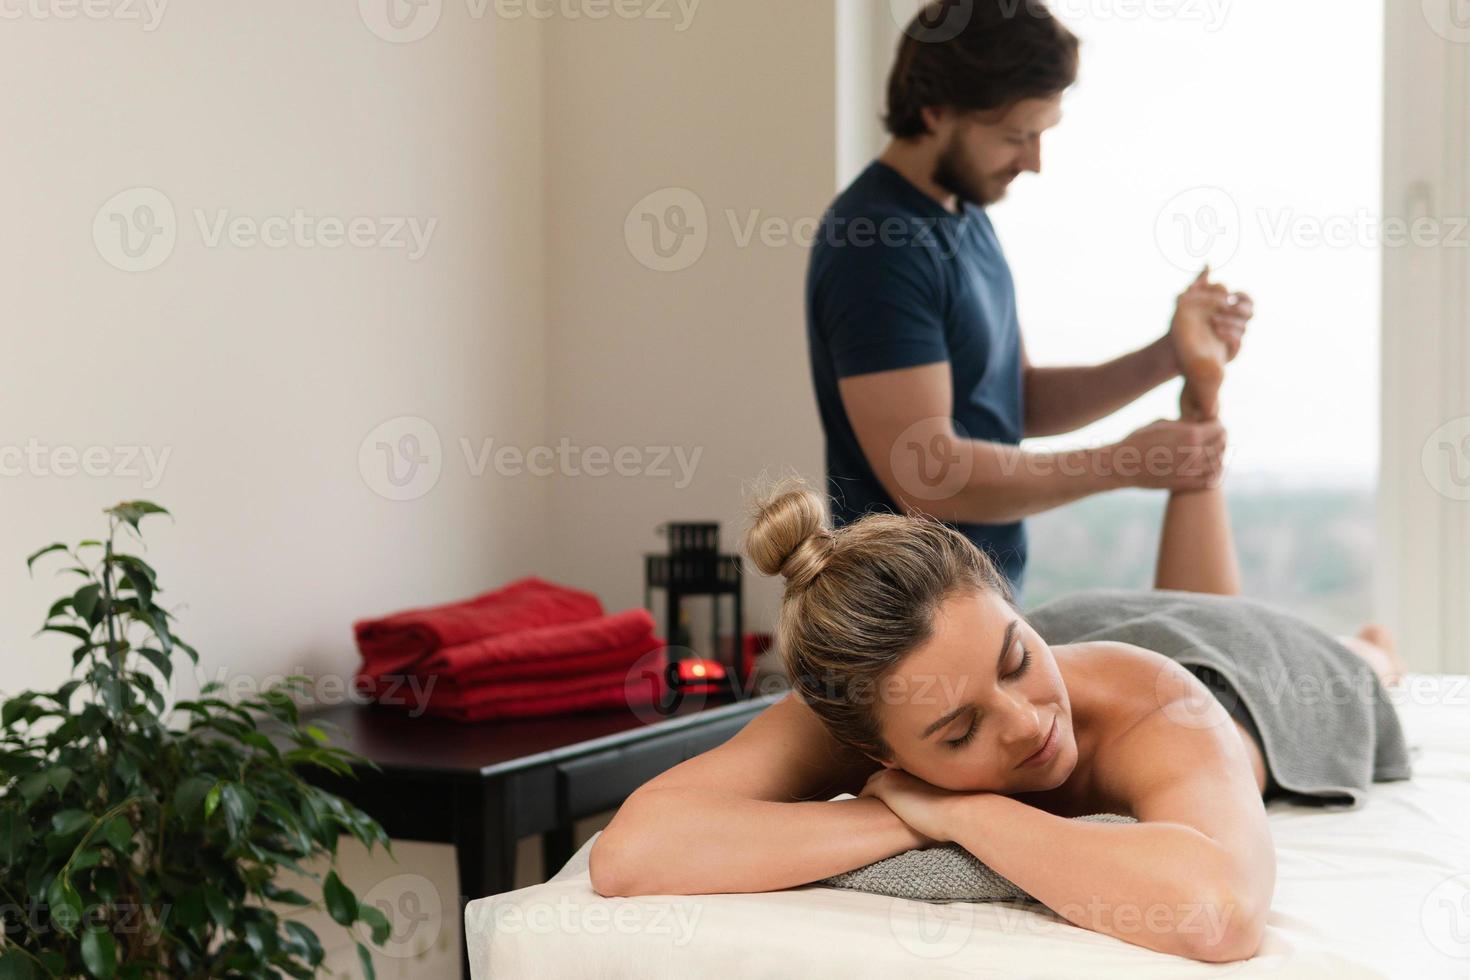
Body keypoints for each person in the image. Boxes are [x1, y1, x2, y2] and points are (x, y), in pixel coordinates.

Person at [587, 433, 1411, 964]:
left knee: (1352, 664)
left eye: (1016, 659)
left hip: (1233, 675)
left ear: (1011, 606)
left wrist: (962, 813)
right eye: (958, 730)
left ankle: (1370, 646)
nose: (1027, 723)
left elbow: (1218, 914)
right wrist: (895, 814)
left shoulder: (1166, 710)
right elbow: (631, 853)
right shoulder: (866, 696)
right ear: (878, 751)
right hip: (1068, 638)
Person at [806, 0, 1253, 602]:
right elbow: (929, 475)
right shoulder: (879, 245)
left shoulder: (962, 215)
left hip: (982, 608)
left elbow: (1015, 401)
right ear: (935, 112)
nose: (1034, 162)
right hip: (908, 624)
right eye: (1016, 136)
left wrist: (1167, 356)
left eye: (1041, 134)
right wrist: (1121, 463)